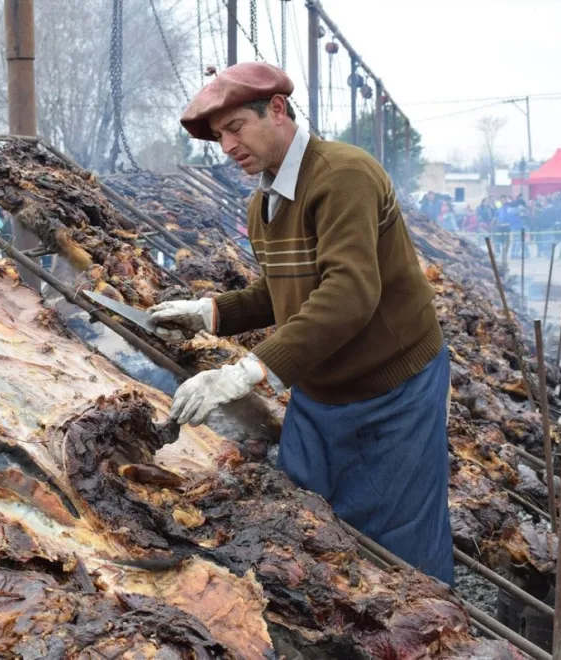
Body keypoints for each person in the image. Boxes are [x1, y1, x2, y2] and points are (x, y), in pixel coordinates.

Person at [147, 62, 453, 584]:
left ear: (278, 110)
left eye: (236, 128)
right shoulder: (261, 203)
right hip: (321, 393)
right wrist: (210, 313)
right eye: (219, 136)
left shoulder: (343, 175)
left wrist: (249, 371)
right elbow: (283, 290)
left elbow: (349, 293)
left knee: (400, 545)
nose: (227, 146)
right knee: (310, 524)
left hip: (392, 391)